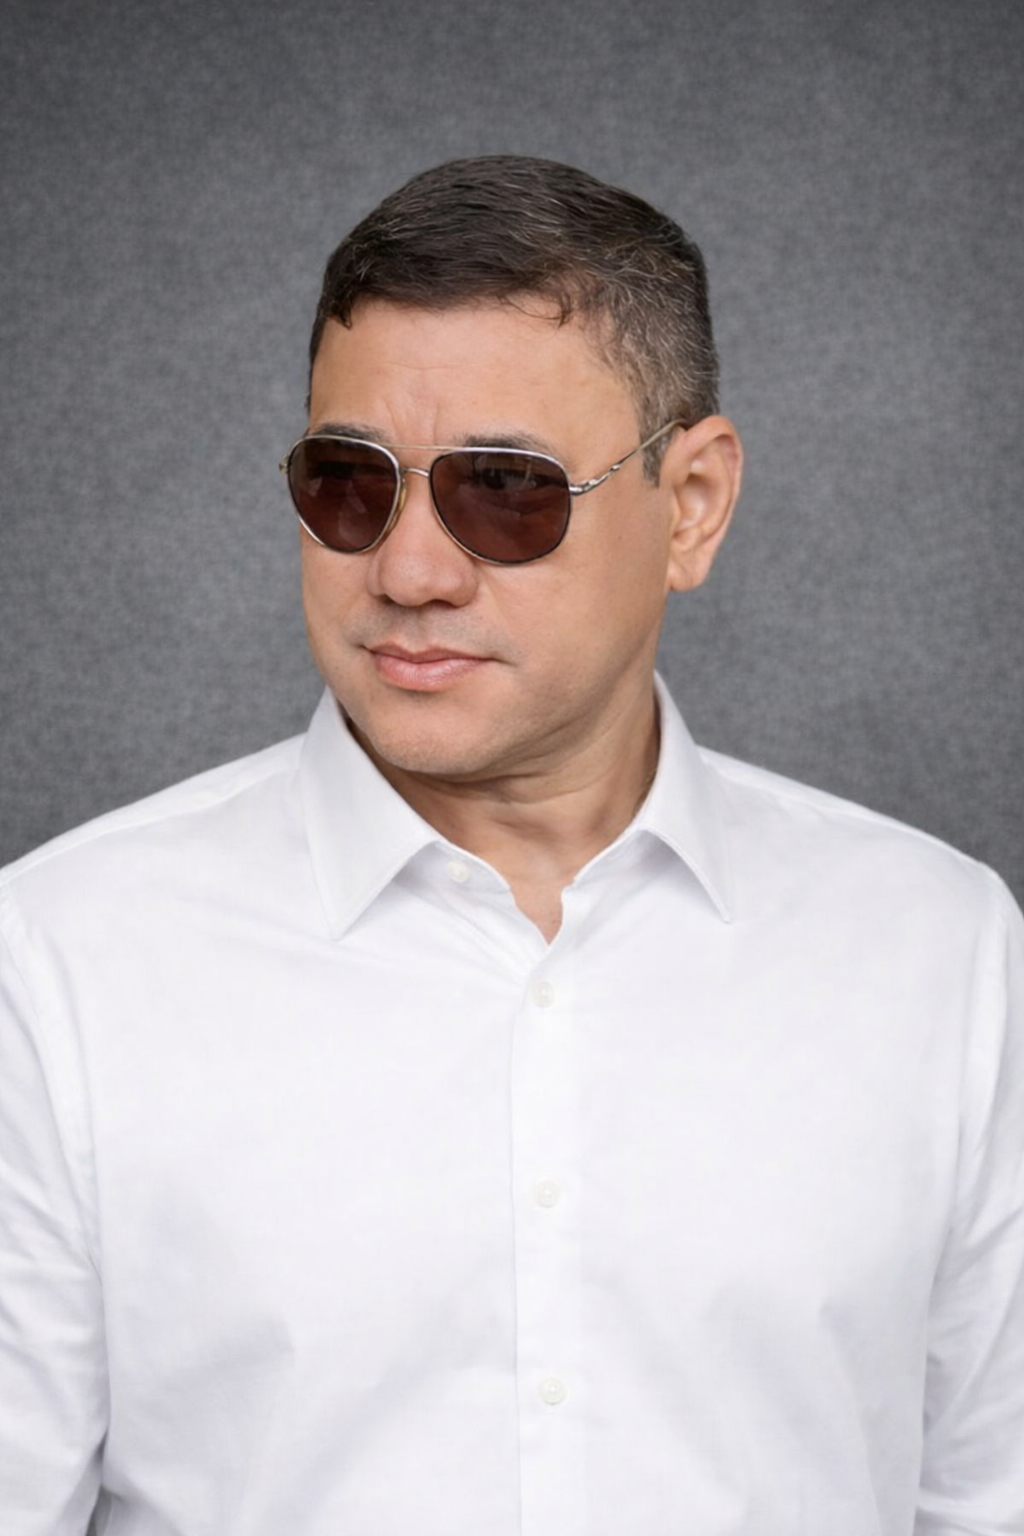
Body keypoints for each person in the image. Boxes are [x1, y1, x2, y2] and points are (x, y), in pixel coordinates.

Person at [1, 155, 1021, 1536]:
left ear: (693, 503)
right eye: (349, 482)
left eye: (504, 489)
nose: (409, 570)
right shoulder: (57, 966)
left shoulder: (944, 955)